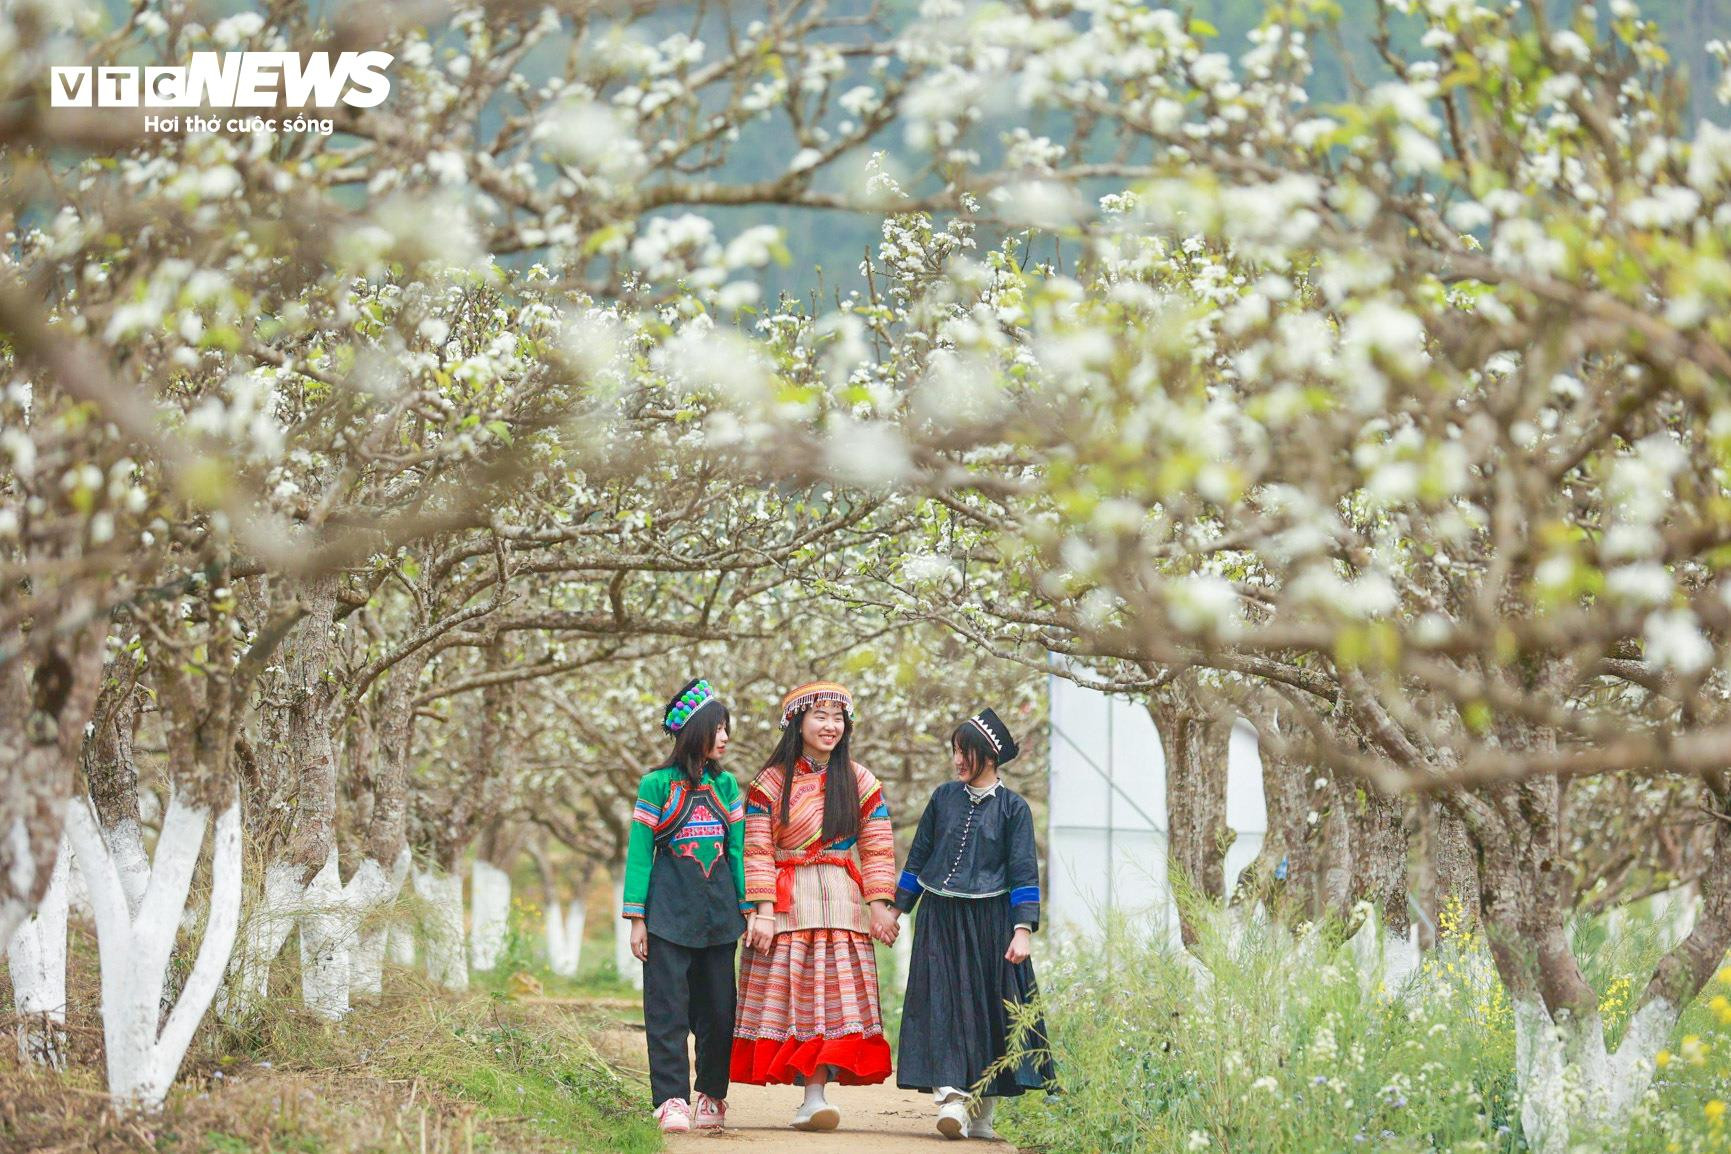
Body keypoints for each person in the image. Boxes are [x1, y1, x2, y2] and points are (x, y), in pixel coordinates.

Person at [731, 680, 899, 1131]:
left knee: (831, 1002)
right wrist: (761, 911)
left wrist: (880, 904)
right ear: (797, 722)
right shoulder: (769, 783)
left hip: (841, 904)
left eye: (838, 718)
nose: (830, 726)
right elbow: (757, 850)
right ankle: (809, 1095)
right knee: (796, 1004)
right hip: (787, 907)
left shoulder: (861, 781)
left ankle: (815, 1096)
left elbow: (878, 846)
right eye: (820, 716)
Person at [893, 707, 1058, 1141]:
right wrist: (896, 910)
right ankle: (951, 1098)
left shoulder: (1014, 809)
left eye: (964, 751)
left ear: (988, 756)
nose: (957, 760)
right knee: (943, 1001)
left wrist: (1022, 929)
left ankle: (982, 1112)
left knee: (988, 1010)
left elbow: (1024, 872)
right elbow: (919, 854)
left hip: (991, 923)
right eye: (954, 751)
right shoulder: (943, 797)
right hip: (940, 918)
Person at [621, 678, 751, 1134]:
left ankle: (712, 1095)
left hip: (720, 918)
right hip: (667, 917)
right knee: (667, 1009)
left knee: (719, 1010)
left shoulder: (728, 785)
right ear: (694, 730)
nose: (725, 737)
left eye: (727, 728)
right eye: (718, 728)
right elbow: (640, 853)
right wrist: (637, 919)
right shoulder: (656, 785)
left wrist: (748, 908)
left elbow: (736, 851)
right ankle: (671, 1100)